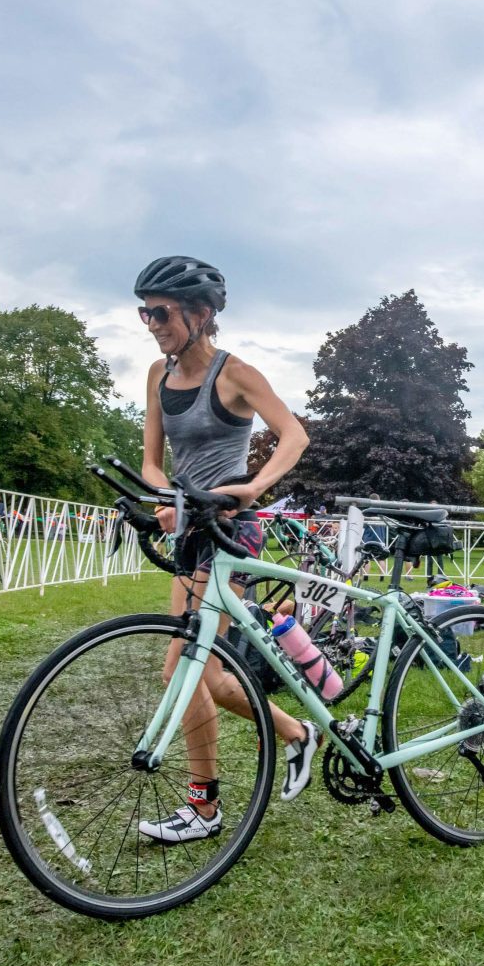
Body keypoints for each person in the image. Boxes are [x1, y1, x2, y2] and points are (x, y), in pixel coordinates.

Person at [132, 255, 315, 845]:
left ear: (202, 314)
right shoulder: (157, 378)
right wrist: (168, 498)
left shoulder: (236, 374)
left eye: (161, 312)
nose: (153, 323)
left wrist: (256, 485)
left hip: (233, 528)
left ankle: (204, 809)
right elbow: (151, 460)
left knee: (182, 668)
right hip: (190, 528)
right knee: (199, 671)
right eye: (145, 313)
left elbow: (295, 435)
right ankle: (294, 731)